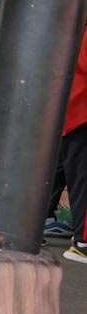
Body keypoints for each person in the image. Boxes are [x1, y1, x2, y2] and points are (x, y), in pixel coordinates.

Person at [49, 23, 87, 262]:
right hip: (81, 113)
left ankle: (39, 220)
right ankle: (84, 243)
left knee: (62, 166)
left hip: (72, 111)